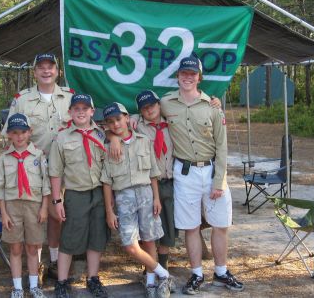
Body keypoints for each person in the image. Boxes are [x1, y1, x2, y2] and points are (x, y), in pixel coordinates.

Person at [160, 54, 243, 295]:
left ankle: (221, 271)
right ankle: (196, 274)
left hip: (211, 172)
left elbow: (222, 147)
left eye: (192, 74)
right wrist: (133, 121)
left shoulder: (213, 107)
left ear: (199, 77)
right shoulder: (167, 103)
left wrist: (219, 181)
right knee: (191, 227)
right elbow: (148, 115)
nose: (188, 77)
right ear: (178, 76)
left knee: (220, 224)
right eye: (184, 73)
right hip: (184, 173)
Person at [2, 53, 74, 283]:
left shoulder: (69, 97)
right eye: (41, 68)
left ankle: (54, 260)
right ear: (34, 72)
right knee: (35, 216)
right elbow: (9, 135)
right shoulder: (22, 99)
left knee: (57, 217)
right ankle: (38, 265)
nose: (46, 71)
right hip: (34, 168)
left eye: (50, 67)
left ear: (57, 71)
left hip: (64, 169)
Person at [100, 102, 175, 298]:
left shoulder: (143, 141)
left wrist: (156, 198)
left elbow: (152, 173)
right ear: (107, 125)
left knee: (149, 240)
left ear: (127, 118)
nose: (116, 124)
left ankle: (150, 283)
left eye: (118, 119)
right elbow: (107, 182)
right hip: (123, 197)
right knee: (130, 245)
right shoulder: (108, 147)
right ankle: (164, 274)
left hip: (146, 195)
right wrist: (109, 210)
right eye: (111, 122)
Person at [48, 94, 109, 298]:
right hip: (75, 194)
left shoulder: (102, 135)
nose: (81, 112)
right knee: (69, 238)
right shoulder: (62, 137)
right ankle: (62, 282)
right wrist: (57, 200)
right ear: (70, 112)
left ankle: (92, 278)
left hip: (99, 193)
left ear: (92, 111)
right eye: (76, 108)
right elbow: (55, 171)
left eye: (85, 108)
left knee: (96, 237)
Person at [0, 113, 50, 298]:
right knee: (15, 248)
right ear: (9, 135)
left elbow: (46, 184)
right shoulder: (3, 159)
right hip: (12, 208)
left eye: (23, 132)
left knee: (32, 247)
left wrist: (45, 208)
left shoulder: (39, 155)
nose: (20, 136)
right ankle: (17, 288)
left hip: (34, 207)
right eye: (15, 132)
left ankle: (33, 286)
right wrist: (3, 213)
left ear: (30, 132)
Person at [135, 90, 177, 271]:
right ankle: (150, 267)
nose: (149, 110)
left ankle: (163, 264)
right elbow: (114, 130)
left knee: (167, 224)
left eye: (152, 105)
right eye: (144, 108)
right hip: (148, 184)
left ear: (159, 105)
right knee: (149, 225)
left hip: (170, 182)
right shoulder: (137, 126)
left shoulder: (172, 123)